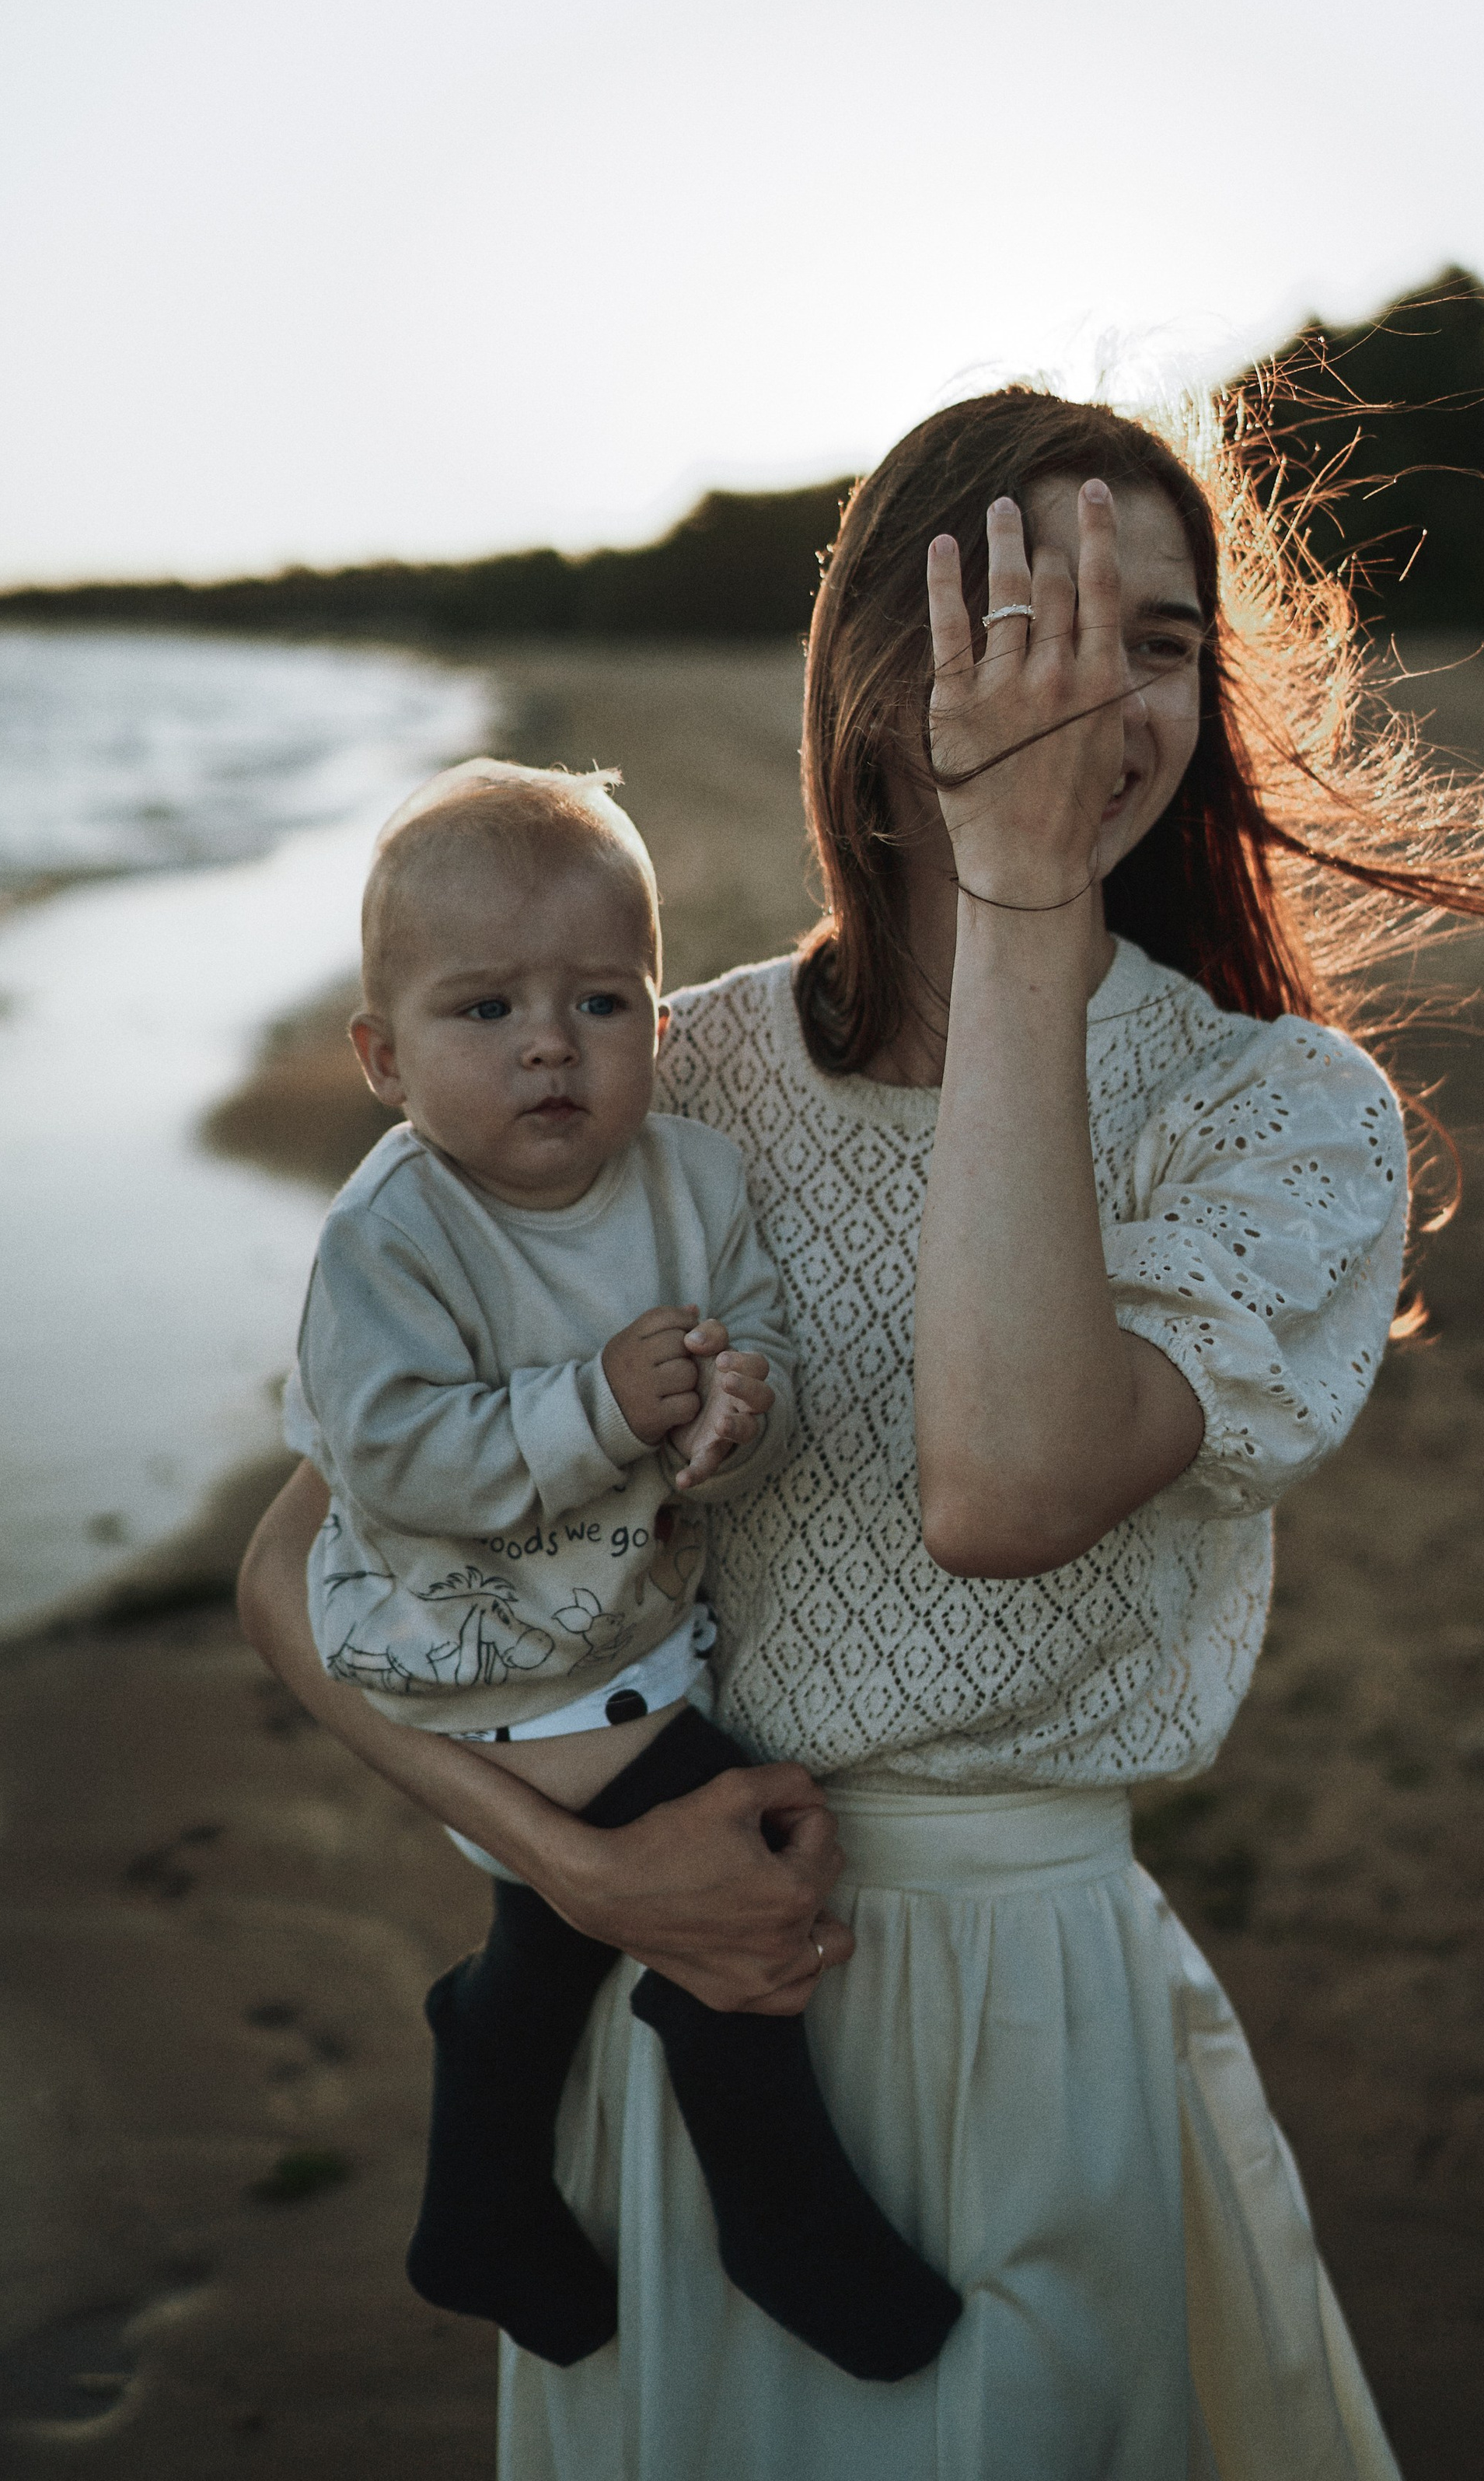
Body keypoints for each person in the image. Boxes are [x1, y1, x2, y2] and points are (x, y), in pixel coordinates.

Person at [240, 390, 1484, 2478]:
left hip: (1023, 2008)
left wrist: (1021, 910)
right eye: (1034, 626)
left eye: (1157, 642)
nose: (1097, 690)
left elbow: (1004, 1485)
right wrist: (589, 1883)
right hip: (662, 1979)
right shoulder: (655, 1069)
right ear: (881, 681)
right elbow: (304, 1564)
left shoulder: (1280, 1114)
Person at [286, 758, 960, 2384]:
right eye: (484, 1009)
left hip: (628, 1623)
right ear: (382, 1056)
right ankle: (772, 2198)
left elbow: (761, 1341)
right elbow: (387, 1458)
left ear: (657, 1031)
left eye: (597, 1000)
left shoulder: (692, 1180)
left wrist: (738, 1409)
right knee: (734, 1840)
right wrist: (593, 1408)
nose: (545, 1043)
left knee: (567, 1926)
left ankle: (480, 2184)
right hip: (482, 1653)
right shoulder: (395, 1234)